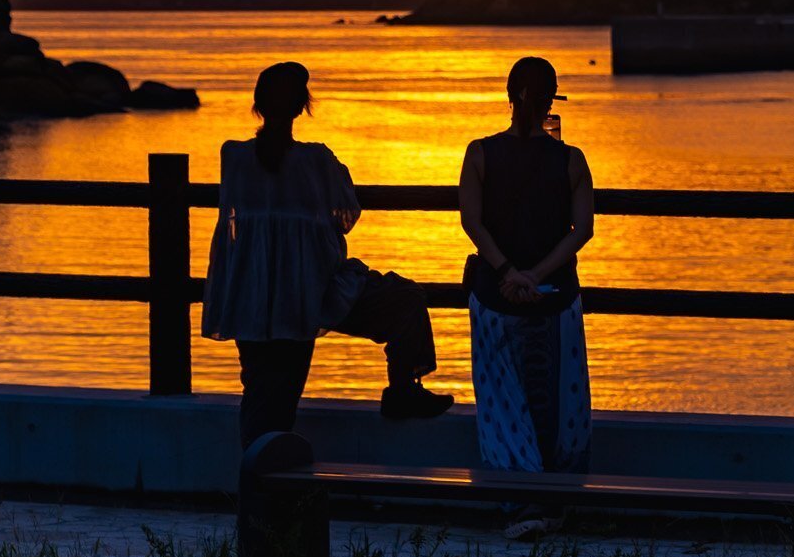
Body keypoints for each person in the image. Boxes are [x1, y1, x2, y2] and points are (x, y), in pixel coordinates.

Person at [202, 59, 453, 447]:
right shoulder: (316, 160)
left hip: (251, 300)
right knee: (405, 299)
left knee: (264, 396)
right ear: (303, 106)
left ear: (258, 105)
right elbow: (347, 213)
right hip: (310, 295)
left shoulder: (233, 158)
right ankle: (402, 389)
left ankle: (254, 493)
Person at [458, 56, 594, 481]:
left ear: (510, 96)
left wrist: (508, 272)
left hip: (496, 297)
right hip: (556, 298)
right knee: (557, 398)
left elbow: (471, 221)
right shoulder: (571, 159)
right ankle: (555, 489)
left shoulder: (479, 152)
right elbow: (582, 230)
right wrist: (536, 275)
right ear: (551, 99)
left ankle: (519, 495)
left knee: (502, 400)